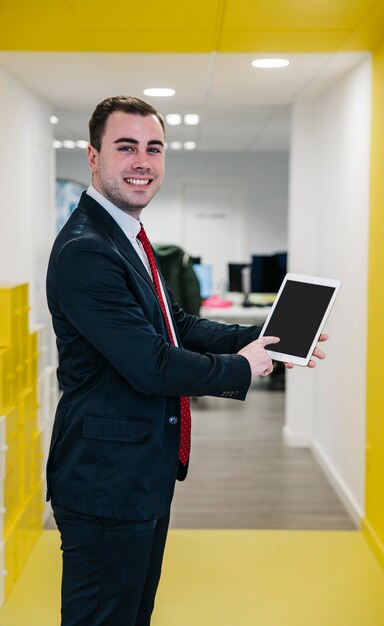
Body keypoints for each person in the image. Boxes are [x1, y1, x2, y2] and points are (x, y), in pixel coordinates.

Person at [46, 95, 327, 626]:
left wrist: (274, 339)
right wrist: (245, 368)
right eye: (125, 147)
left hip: (138, 474)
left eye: (153, 149)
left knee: (131, 615)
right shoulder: (87, 249)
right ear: (92, 156)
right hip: (107, 482)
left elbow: (182, 326)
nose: (142, 162)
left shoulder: (127, 238)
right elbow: (152, 363)